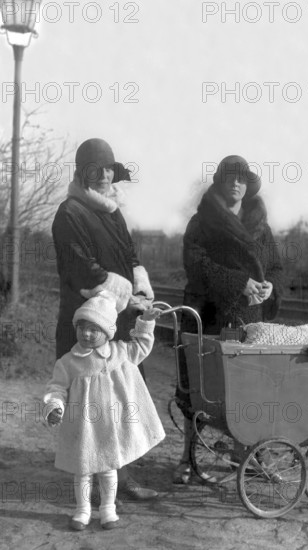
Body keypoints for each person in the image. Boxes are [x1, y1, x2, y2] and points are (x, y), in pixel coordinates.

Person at [51, 138, 157, 499]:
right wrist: (123, 289)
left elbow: (129, 254)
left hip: (120, 321)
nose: (104, 176)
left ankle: (119, 477)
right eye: (96, 170)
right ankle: (90, 483)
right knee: (89, 406)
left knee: (121, 399)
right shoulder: (70, 213)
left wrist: (138, 282)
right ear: (83, 174)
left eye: (109, 169)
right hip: (88, 324)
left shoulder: (112, 211)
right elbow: (82, 269)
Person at [173, 155, 283, 483]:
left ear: (248, 185)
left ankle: (245, 454)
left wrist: (269, 287)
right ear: (220, 181)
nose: (236, 183)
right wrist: (238, 282)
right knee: (200, 388)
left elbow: (276, 266)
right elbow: (195, 264)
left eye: (242, 178)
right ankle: (187, 457)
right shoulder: (202, 222)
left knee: (247, 386)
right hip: (209, 315)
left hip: (248, 317)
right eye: (230, 177)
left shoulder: (261, 226)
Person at [43, 293, 165, 531]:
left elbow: (141, 345)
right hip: (83, 427)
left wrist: (146, 321)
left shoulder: (119, 352)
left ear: (108, 332)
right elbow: (56, 387)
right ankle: (82, 510)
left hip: (110, 427)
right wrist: (54, 406)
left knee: (109, 469)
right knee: (83, 471)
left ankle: (108, 508)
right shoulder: (69, 362)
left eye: (94, 329)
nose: (87, 334)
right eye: (82, 328)